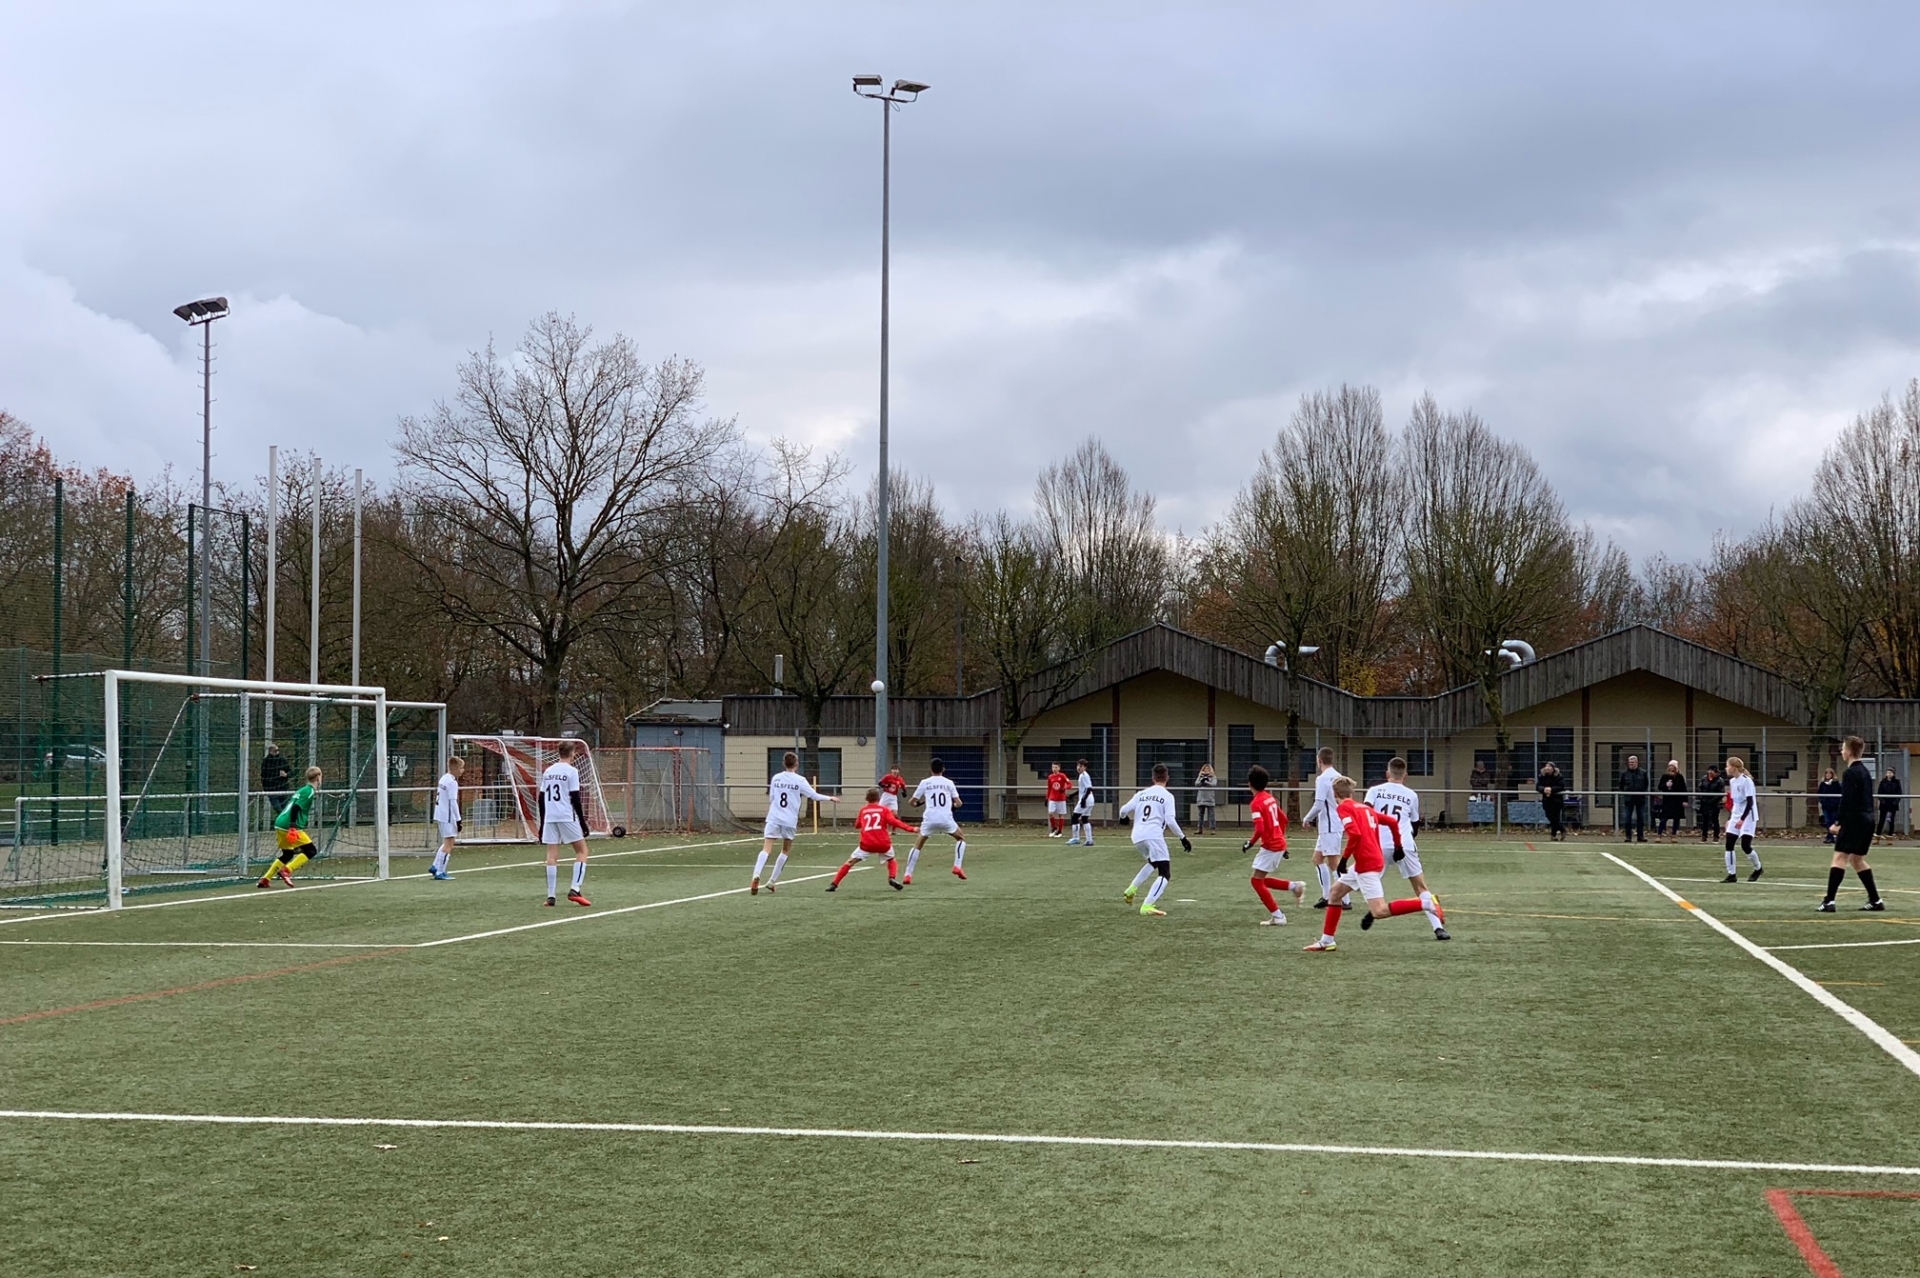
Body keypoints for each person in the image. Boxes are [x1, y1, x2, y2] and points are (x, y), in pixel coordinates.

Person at [1303, 777, 1437, 952]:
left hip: (1367, 864)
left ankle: (1425, 904)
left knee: (1379, 911)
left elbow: (1355, 835)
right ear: (1352, 793)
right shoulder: (1364, 808)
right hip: (1368, 860)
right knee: (1335, 893)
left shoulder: (1343, 808)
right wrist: (1397, 845)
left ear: (1335, 794)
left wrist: (1343, 860)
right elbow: (1392, 822)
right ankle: (1327, 941)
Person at [1365, 757, 1449, 939]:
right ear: (1406, 776)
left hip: (1378, 845)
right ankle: (1439, 929)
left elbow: (1365, 813)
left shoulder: (1374, 791)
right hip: (1404, 845)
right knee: (1421, 888)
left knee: (1365, 883)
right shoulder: (1411, 795)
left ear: (1387, 774)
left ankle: (1368, 910)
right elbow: (1415, 824)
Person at [752, 750, 838, 895]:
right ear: (796, 764)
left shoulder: (776, 778)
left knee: (766, 848)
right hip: (789, 820)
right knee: (785, 850)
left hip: (774, 817)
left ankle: (756, 874)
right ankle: (772, 881)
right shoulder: (800, 780)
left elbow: (772, 797)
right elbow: (814, 796)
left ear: (784, 764)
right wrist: (830, 798)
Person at [1822, 736, 1884, 912]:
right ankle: (1875, 900)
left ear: (1848, 752)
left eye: (1843, 748)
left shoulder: (1850, 773)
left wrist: (1838, 822)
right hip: (1868, 819)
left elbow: (1847, 800)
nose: (1841, 751)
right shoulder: (1865, 772)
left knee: (1839, 857)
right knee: (1857, 859)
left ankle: (1829, 901)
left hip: (1854, 820)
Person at [1120, 763, 1189, 917]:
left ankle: (1131, 889)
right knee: (1165, 873)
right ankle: (1147, 905)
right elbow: (1170, 820)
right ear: (1167, 778)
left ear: (1153, 778)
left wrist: (1123, 818)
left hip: (1137, 836)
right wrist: (1182, 838)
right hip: (1153, 835)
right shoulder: (1167, 796)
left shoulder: (1141, 794)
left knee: (1153, 862)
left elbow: (1123, 810)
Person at [1241, 764, 1306, 925]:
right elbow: (1283, 819)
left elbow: (1260, 828)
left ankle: (1278, 916)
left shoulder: (1256, 803)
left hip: (1271, 845)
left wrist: (1250, 843)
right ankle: (1294, 886)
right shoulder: (1269, 797)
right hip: (1277, 843)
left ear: (1250, 784)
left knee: (1256, 881)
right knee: (1260, 880)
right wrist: (1282, 840)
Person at [826, 788, 911, 892]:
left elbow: (857, 825)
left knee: (850, 862)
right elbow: (894, 822)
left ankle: (834, 884)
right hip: (883, 843)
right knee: (891, 859)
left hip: (867, 843)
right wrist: (911, 829)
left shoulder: (863, 810)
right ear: (878, 798)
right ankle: (892, 877)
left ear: (866, 798)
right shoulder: (884, 810)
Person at [540, 741, 592, 907]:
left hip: (550, 816)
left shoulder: (548, 771)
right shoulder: (571, 771)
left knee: (551, 856)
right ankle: (575, 889)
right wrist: (582, 822)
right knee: (582, 851)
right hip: (566, 815)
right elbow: (575, 798)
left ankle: (551, 896)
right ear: (572, 754)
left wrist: (542, 822)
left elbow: (541, 798)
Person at [256, 766, 323, 888]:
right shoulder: (309, 791)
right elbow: (296, 808)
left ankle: (265, 879)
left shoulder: (302, 790)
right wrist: (292, 826)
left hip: (280, 823)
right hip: (289, 825)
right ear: (318, 778)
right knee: (311, 851)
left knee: (287, 854)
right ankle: (287, 870)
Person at [904, 758, 967, 884]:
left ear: (930, 769)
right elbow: (959, 803)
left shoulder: (925, 782)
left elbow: (912, 801)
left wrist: (916, 804)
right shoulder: (949, 783)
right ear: (943, 769)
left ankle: (908, 875)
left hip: (930, 819)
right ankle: (957, 866)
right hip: (945, 818)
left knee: (917, 845)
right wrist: (953, 806)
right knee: (961, 838)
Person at [1303, 746, 1342, 908]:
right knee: (1318, 859)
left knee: (1334, 863)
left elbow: (1319, 804)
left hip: (1329, 825)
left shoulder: (1323, 779)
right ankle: (1327, 896)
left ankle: (1342, 898)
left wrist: (1307, 818)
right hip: (1335, 823)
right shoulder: (1339, 777)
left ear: (1319, 761)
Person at [1720, 755, 1762, 883]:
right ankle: (1731, 874)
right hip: (1736, 815)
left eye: (1728, 766)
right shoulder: (1733, 782)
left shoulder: (1746, 781)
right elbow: (1736, 803)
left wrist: (1742, 820)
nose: (1726, 768)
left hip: (1748, 816)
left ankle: (1758, 868)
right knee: (1729, 843)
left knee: (1745, 845)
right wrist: (1730, 819)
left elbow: (1750, 803)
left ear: (1734, 767)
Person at [430, 755, 465, 880]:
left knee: (446, 842)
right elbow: (453, 802)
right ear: (455, 769)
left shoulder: (444, 778)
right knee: (449, 843)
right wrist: (458, 819)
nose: (462, 770)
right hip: (448, 816)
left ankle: (435, 866)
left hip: (440, 814)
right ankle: (440, 871)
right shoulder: (452, 782)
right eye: (461, 768)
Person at [1617, 754, 1649, 844]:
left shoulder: (1643, 773)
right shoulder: (1624, 774)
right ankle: (1628, 836)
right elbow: (1621, 785)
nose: (1631, 764)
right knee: (1627, 818)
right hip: (1629, 799)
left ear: (1637, 763)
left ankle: (1640, 836)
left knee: (1641, 818)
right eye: (1630, 762)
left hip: (1640, 799)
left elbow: (1646, 784)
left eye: (1633, 762)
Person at [1654, 760, 1687, 841]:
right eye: (1670, 766)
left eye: (1673, 766)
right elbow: (1660, 786)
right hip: (1667, 800)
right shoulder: (1665, 776)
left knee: (1676, 819)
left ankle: (1674, 835)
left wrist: (1685, 800)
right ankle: (1659, 834)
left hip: (1677, 801)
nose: (1671, 768)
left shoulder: (1679, 777)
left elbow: (1683, 789)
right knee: (1664, 818)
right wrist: (1666, 785)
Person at [1067, 758, 1096, 846]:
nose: (1078, 768)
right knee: (1084, 818)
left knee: (1075, 817)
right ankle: (1089, 840)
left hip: (1086, 800)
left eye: (1081, 766)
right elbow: (1082, 789)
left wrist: (1083, 800)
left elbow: (1089, 788)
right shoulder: (1082, 775)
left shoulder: (1084, 775)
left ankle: (1076, 838)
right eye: (1078, 766)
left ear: (1085, 767)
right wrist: (1073, 795)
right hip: (1090, 800)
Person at [1536, 761, 1568, 841]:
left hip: (1557, 800)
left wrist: (1551, 789)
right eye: (1546, 766)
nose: (1547, 768)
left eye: (1550, 766)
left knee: (1555, 818)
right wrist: (1544, 789)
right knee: (1550, 817)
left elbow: (1561, 786)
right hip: (1546, 800)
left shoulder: (1558, 776)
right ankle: (1562, 829)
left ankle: (1553, 835)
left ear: (1553, 768)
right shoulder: (1541, 776)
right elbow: (1538, 786)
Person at [259, 743, 292, 817]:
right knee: (278, 808)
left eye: (278, 750)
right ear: (270, 751)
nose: (277, 752)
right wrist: (266, 788)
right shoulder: (266, 762)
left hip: (283, 788)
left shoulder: (282, 760)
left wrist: (286, 774)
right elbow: (263, 776)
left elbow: (290, 771)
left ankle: (286, 822)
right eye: (275, 751)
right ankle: (284, 821)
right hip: (271, 789)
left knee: (285, 808)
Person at [1696, 766, 1725, 842]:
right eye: (1709, 771)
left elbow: (1721, 792)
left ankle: (1716, 836)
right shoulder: (1704, 779)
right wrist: (1702, 798)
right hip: (1704, 802)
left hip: (1715, 803)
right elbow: (1700, 789)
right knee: (1704, 820)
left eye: (1712, 771)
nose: (1710, 773)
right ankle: (1704, 836)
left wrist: (1713, 800)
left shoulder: (1720, 781)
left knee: (1715, 820)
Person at [1044, 762, 1072, 838]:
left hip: (1061, 798)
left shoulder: (1062, 776)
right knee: (1050, 813)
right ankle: (1054, 828)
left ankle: (1060, 831)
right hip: (1052, 798)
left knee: (1061, 815)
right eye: (1053, 767)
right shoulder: (1050, 777)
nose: (1054, 769)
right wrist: (1047, 798)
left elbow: (1070, 784)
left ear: (1059, 768)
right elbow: (1049, 788)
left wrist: (1064, 788)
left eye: (1056, 767)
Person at [1817, 768, 1842, 844]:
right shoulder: (1822, 784)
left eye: (1829, 773)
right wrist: (1823, 802)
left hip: (1834, 806)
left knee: (1833, 821)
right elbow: (1820, 794)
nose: (1828, 775)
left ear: (1832, 775)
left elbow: (1840, 794)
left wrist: (1836, 802)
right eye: (1826, 773)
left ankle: (1831, 837)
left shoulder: (1836, 784)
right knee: (1827, 821)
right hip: (1826, 806)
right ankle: (1830, 837)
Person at [1193, 762, 1218, 834]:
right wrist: (1201, 781)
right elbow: (1196, 784)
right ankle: (1200, 829)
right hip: (1201, 798)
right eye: (1205, 769)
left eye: (1208, 769)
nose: (1206, 770)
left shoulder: (1213, 777)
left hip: (1210, 798)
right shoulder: (1200, 776)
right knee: (1200, 814)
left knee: (1211, 814)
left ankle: (1213, 829)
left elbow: (1214, 784)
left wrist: (1206, 782)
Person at [1879, 769, 1904, 838]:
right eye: (1888, 772)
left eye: (1890, 773)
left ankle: (1890, 837)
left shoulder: (1896, 782)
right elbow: (1879, 793)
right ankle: (1878, 836)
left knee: (1891, 821)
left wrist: (1895, 803)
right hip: (1884, 804)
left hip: (1892, 805)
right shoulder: (1883, 782)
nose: (1889, 774)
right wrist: (1883, 801)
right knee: (1881, 820)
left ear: (1893, 774)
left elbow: (1899, 793)